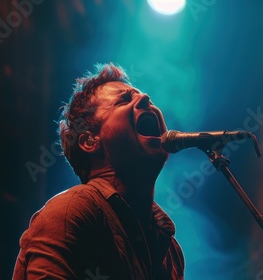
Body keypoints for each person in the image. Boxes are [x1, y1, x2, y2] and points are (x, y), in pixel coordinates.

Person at [13, 63, 185, 279]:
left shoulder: (170, 250)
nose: (145, 98)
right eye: (123, 100)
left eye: (140, 96)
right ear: (89, 141)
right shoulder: (72, 211)